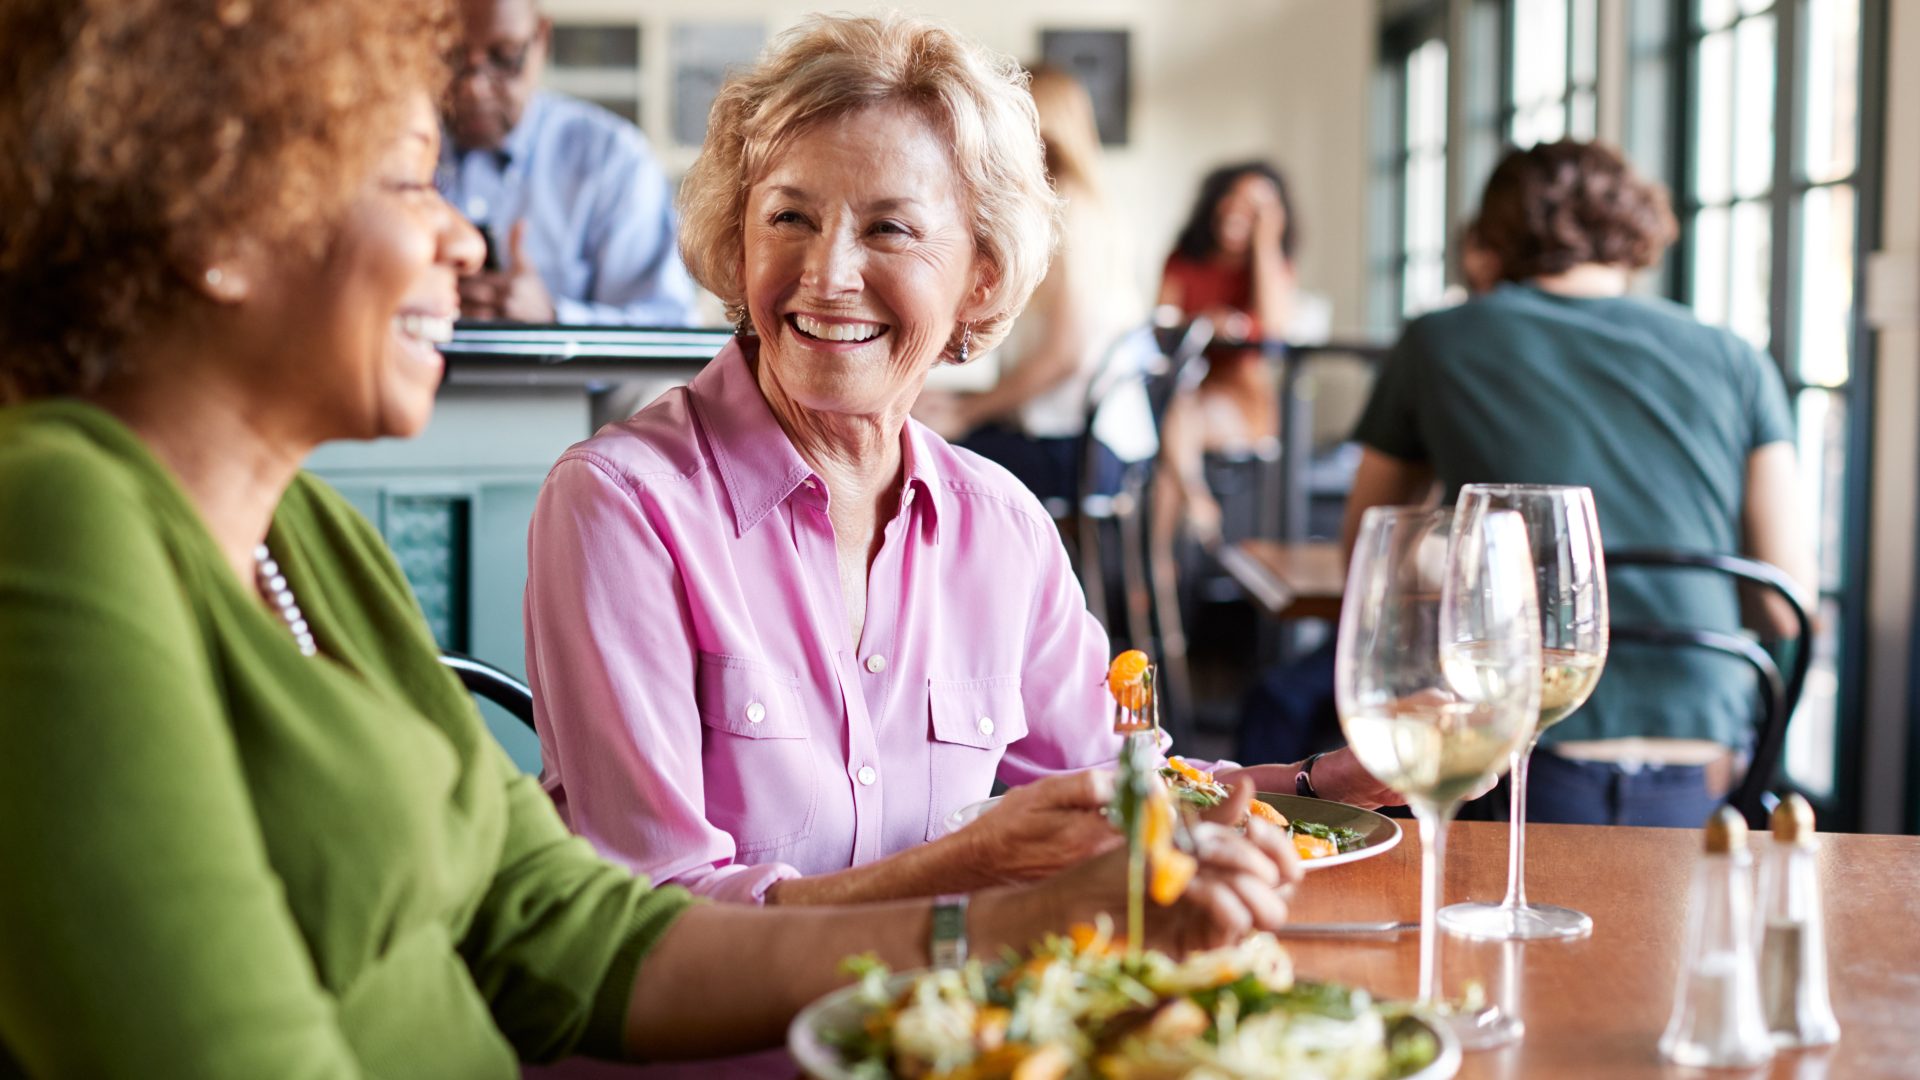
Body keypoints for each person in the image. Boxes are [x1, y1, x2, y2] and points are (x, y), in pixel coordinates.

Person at [0, 3, 1302, 1075]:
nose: (462, 233)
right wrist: (995, 898)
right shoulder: (56, 524)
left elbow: (565, 929)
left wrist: (1030, 910)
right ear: (222, 228)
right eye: (409, 179)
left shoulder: (305, 532)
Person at [523, 13, 1394, 923]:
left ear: (979, 275)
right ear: (739, 245)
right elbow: (654, 928)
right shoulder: (622, 507)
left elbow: (1110, 787)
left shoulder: (1002, 528)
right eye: (789, 216)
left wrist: (1303, 782)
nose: (827, 275)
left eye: (889, 228)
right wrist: (965, 878)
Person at [1345, 140, 1817, 826]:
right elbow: (1785, 600)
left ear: (1495, 235)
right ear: (1634, 230)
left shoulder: (1440, 340)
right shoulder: (1735, 357)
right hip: (1701, 753)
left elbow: (1368, 549)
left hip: (1513, 749)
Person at [911, 65, 1154, 505]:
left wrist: (968, 411)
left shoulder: (1070, 212)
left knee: (914, 454)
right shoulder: (1084, 206)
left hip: (1079, 450)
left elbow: (1065, 355)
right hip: (1087, 440)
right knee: (922, 419)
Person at [439, 0, 695, 325]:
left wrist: (553, 319)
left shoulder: (614, 160)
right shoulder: (383, 151)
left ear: (542, 38)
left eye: (504, 57)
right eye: (450, 57)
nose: (473, 88)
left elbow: (666, 329)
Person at [1155, 161, 1314, 544]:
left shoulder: (1274, 267)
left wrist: (1264, 244)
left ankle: (1159, 576)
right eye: (1233, 198)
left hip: (1244, 400)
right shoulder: (1185, 259)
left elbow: (1275, 327)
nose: (1238, 210)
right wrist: (1205, 323)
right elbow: (1161, 326)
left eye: (1255, 206)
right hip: (1188, 392)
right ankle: (1192, 514)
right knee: (1176, 430)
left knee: (1173, 448)